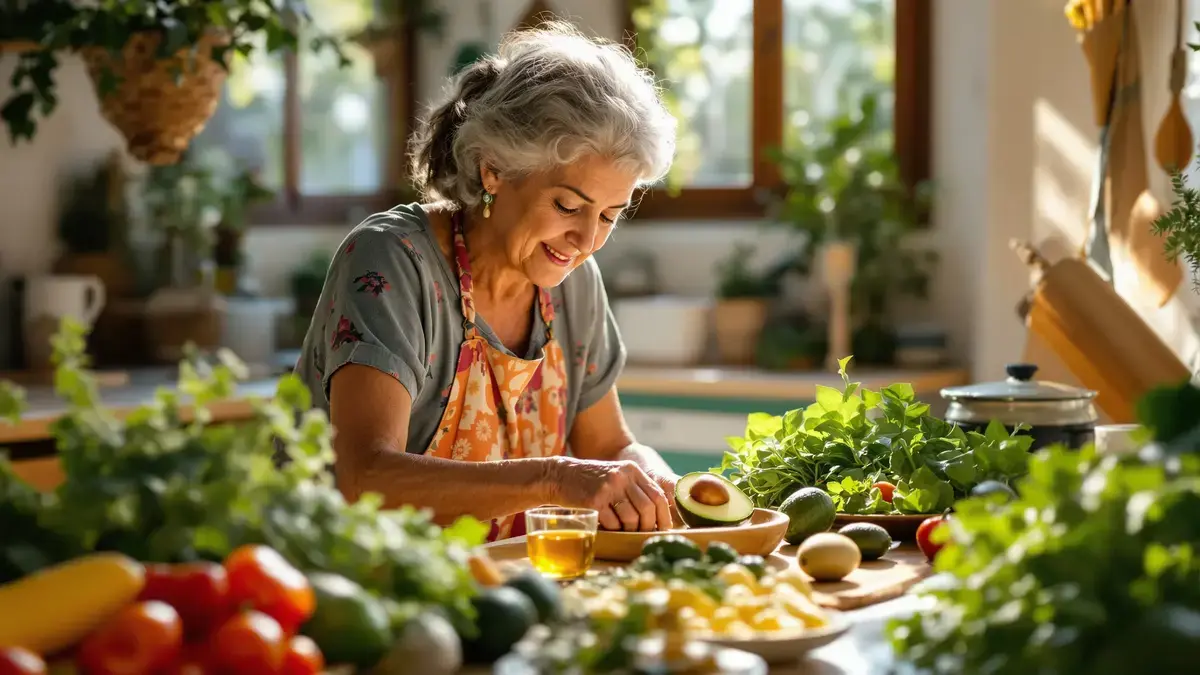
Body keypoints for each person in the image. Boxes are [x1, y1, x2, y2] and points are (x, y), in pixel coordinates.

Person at [294, 23, 681, 541]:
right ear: (493, 169)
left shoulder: (575, 283)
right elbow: (363, 477)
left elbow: (610, 448)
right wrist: (553, 478)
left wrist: (662, 485)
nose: (587, 240)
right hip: (353, 575)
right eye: (568, 205)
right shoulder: (393, 260)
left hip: (504, 579)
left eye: (610, 215)